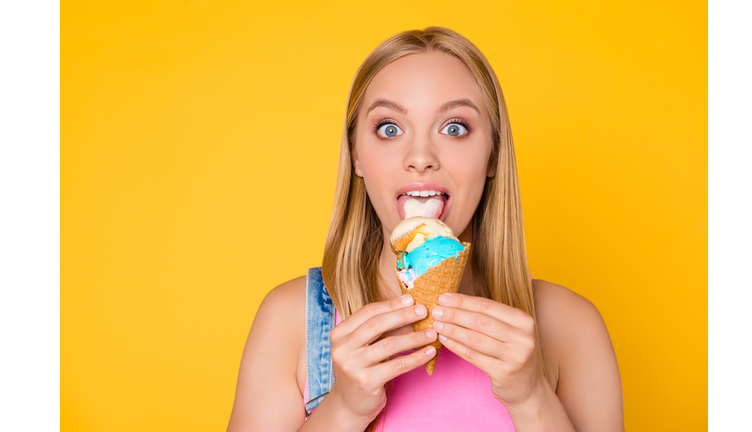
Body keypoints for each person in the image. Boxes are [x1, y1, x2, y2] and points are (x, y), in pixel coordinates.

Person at [227, 27, 624, 432]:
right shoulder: (291, 320)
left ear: (493, 155)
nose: (420, 158)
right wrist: (344, 409)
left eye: (454, 127)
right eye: (389, 128)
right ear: (356, 156)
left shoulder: (570, 326)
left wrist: (531, 400)